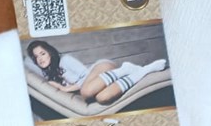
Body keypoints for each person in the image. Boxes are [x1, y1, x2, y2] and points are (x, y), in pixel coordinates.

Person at [26, 39, 167, 105]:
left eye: (42, 54)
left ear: (50, 52)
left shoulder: (65, 60)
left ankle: (125, 69)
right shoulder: (48, 75)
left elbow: (86, 75)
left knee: (86, 91)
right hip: (99, 86)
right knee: (103, 98)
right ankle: (144, 70)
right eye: (36, 57)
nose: (40, 59)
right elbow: (26, 64)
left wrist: (65, 88)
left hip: (102, 68)